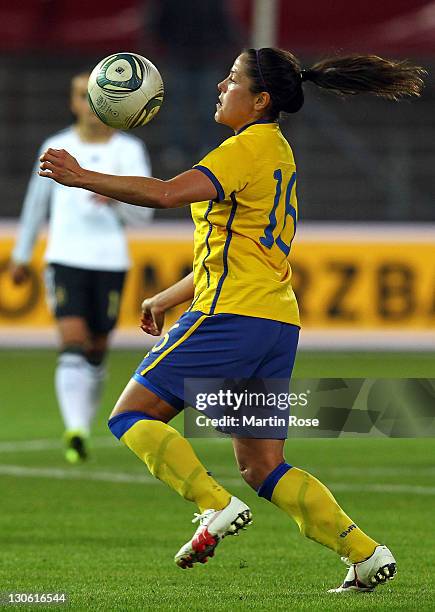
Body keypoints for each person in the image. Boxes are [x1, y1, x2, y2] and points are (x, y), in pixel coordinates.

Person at [38, 49, 425, 592]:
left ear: (260, 99)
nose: (221, 85)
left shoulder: (246, 147)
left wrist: (81, 176)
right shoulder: (277, 153)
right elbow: (242, 251)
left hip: (230, 316)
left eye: (234, 79)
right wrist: (167, 296)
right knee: (263, 466)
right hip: (273, 323)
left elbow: (167, 193)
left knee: (130, 416)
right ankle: (364, 553)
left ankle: (212, 505)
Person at [11, 72, 153, 463]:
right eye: (81, 95)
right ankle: (74, 428)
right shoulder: (56, 146)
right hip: (65, 256)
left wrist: (115, 196)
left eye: (96, 96)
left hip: (109, 260)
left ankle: (83, 425)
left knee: (96, 349)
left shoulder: (129, 150)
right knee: (72, 342)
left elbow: (144, 217)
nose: (89, 104)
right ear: (73, 102)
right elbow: (35, 205)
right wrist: (22, 256)